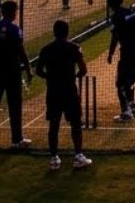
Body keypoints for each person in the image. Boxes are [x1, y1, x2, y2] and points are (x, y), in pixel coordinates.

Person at [34, 19, 90, 169]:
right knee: (76, 123)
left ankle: (54, 158)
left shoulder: (46, 49)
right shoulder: (74, 47)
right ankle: (78, 156)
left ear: (54, 32)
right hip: (69, 90)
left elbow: (38, 71)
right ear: (67, 32)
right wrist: (77, 75)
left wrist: (50, 78)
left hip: (53, 91)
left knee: (54, 124)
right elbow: (83, 69)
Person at [0, 0, 31, 149]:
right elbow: (21, 51)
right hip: (13, 72)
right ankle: (17, 140)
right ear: (12, 12)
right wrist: (28, 68)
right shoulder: (15, 29)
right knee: (15, 105)